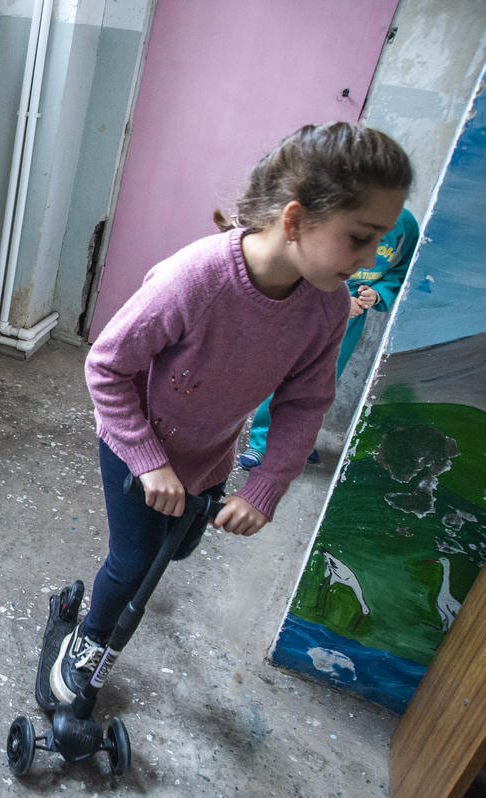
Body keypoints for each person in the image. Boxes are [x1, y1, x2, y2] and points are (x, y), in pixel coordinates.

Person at [50, 122, 412, 704]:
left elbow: (304, 403)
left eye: (379, 242)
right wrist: (149, 462)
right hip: (136, 444)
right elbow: (107, 367)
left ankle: (150, 555)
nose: (371, 258)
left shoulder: (327, 308)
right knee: (134, 561)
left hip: (210, 453)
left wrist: (266, 485)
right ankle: (88, 639)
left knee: (177, 547)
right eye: (360, 238)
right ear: (295, 220)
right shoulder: (196, 279)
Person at [237, 206, 420, 469]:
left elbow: (402, 270)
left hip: (353, 319)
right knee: (288, 375)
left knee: (322, 384)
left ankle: (299, 443)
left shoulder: (406, 224)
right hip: (313, 309)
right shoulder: (338, 210)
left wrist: (378, 293)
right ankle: (261, 443)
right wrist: (340, 299)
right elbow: (309, 259)